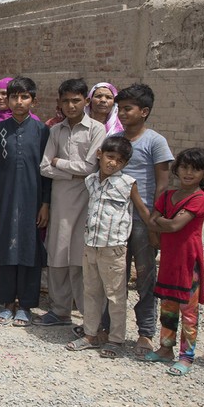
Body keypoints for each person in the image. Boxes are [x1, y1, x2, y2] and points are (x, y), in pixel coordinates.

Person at [101, 83, 174, 357]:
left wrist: (155, 219)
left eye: (127, 108)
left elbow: (162, 184)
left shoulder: (155, 141)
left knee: (145, 277)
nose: (121, 113)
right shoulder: (116, 140)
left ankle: (145, 332)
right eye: (119, 109)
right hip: (115, 218)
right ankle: (108, 328)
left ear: (144, 111)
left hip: (144, 221)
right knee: (114, 276)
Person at [65, 136, 151, 357]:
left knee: (115, 295)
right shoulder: (91, 180)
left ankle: (116, 339)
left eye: (120, 161)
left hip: (113, 248)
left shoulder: (127, 184)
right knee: (91, 292)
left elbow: (141, 209)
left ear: (125, 164)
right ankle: (91, 334)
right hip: (91, 245)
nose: (113, 163)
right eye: (110, 157)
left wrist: (155, 231)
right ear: (100, 155)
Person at [35, 78, 106, 327]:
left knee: (79, 257)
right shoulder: (55, 131)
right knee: (57, 254)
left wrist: (60, 163)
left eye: (76, 100)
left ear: (86, 101)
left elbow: (90, 167)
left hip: (86, 201)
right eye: (65, 100)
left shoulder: (97, 129)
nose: (70, 105)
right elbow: (44, 166)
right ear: (59, 102)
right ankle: (60, 309)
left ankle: (89, 317)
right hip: (60, 200)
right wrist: (71, 171)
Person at [0, 76, 51, 327]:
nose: (18, 101)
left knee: (29, 250)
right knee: (5, 250)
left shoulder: (43, 131)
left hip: (33, 201)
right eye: (14, 96)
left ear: (33, 100)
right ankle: (6, 303)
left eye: (24, 97)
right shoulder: (0, 130)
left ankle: (25, 305)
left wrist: (45, 203)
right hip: (5, 199)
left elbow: (47, 171)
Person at [145, 148, 204, 376]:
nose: (189, 173)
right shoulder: (167, 196)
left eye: (195, 169)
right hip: (169, 260)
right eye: (184, 167)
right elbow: (154, 223)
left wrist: (159, 222)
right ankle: (165, 348)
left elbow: (171, 225)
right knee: (168, 307)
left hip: (188, 262)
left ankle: (187, 356)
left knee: (188, 311)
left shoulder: (199, 199)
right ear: (177, 169)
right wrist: (161, 222)